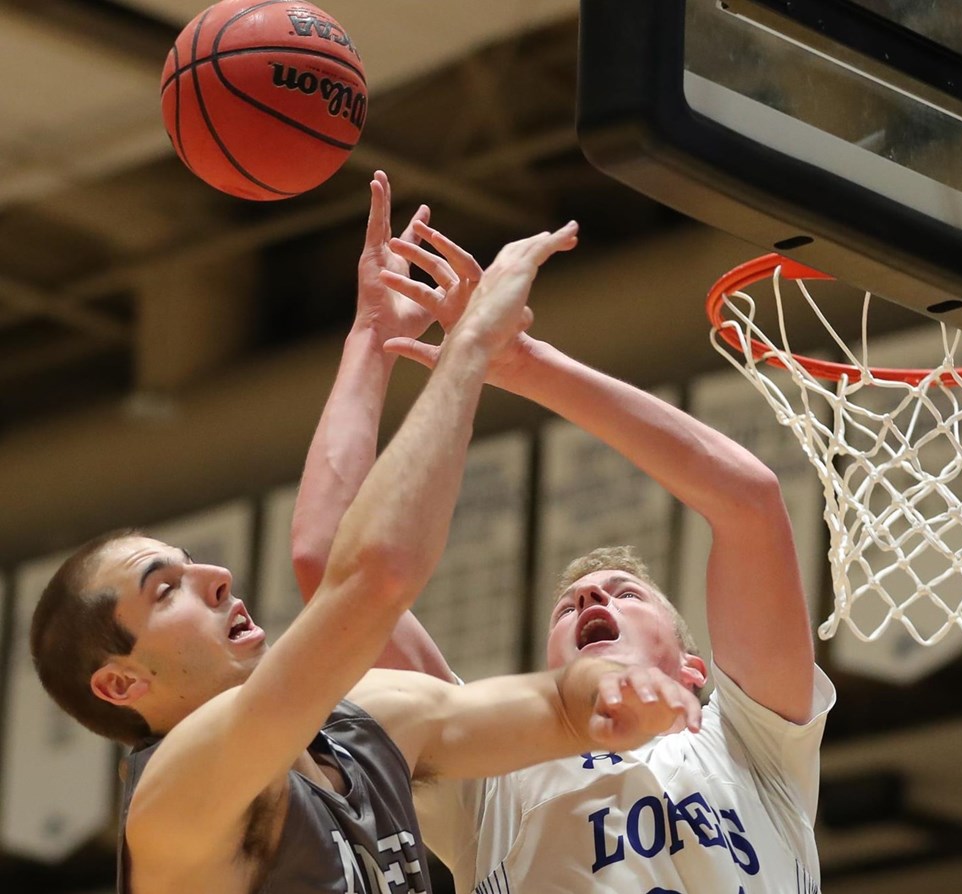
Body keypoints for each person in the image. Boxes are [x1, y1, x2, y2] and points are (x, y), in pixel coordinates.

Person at [29, 173, 702, 894]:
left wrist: (374, 337)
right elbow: (374, 577)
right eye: (165, 591)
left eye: (191, 564)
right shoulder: (178, 800)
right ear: (121, 682)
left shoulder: (365, 727)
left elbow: (557, 707)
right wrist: (469, 350)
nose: (216, 575)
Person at [290, 181, 836, 893]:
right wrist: (372, 336)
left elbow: (750, 502)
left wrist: (522, 364)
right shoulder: (490, 760)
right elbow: (327, 561)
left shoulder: (752, 744)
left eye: (623, 594)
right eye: (568, 607)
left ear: (694, 674)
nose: (587, 600)